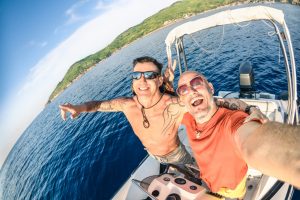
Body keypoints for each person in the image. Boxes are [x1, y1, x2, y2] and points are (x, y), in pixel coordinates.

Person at [59, 56, 264, 166]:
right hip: (152, 154)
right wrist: (79, 108)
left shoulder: (174, 105)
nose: (142, 80)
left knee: (197, 174)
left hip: (176, 155)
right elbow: (98, 105)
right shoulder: (126, 104)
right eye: (136, 75)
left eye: (149, 75)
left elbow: (217, 102)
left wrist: (251, 109)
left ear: (158, 80)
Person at [177, 71, 300, 199]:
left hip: (232, 191)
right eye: (183, 89)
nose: (191, 91)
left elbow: (255, 140)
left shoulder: (232, 121)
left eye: (196, 82)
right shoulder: (187, 117)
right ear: (182, 101)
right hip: (207, 182)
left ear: (211, 88)